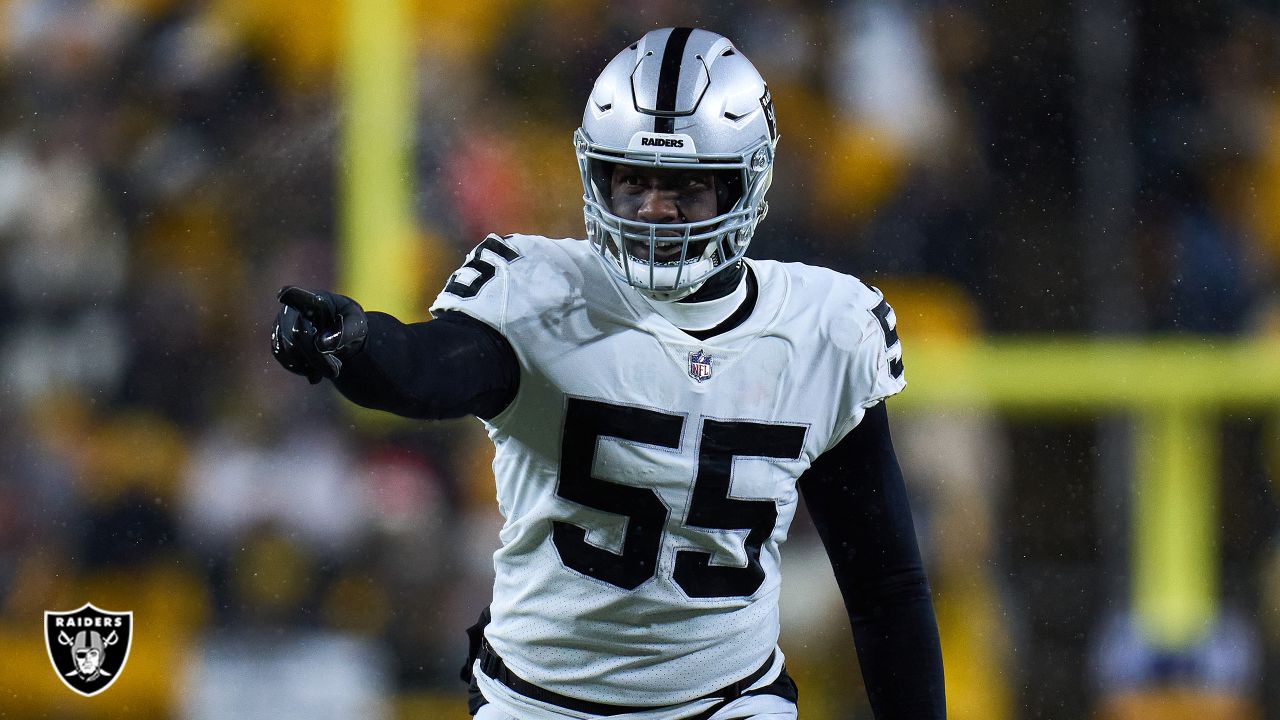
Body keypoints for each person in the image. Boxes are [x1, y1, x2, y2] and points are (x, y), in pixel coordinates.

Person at [271, 27, 945, 720]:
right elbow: (425, 370)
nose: (655, 207)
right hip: (538, 705)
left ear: (746, 181)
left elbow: (883, 582)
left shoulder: (821, 329)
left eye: (685, 184)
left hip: (728, 703)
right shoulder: (545, 291)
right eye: (634, 180)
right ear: (598, 177)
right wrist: (353, 342)